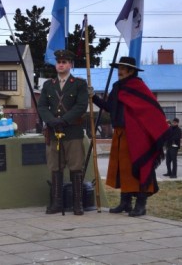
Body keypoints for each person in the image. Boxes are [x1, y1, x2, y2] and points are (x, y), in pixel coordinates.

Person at [92, 57, 170, 217]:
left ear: (131, 71)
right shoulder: (117, 87)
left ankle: (141, 205)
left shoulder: (138, 87)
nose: (119, 71)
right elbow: (109, 107)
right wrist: (93, 97)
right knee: (122, 168)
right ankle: (125, 202)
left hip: (136, 135)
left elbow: (151, 110)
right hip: (120, 133)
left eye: (123, 68)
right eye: (119, 67)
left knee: (140, 166)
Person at [38, 49, 88, 215]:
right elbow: (42, 106)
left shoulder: (79, 84)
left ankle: (77, 203)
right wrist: (52, 121)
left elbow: (81, 106)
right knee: (56, 167)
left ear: (71, 65)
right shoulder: (48, 85)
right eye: (59, 62)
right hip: (54, 132)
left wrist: (64, 120)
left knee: (76, 167)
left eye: (64, 62)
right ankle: (57, 203)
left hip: (72, 131)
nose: (61, 64)